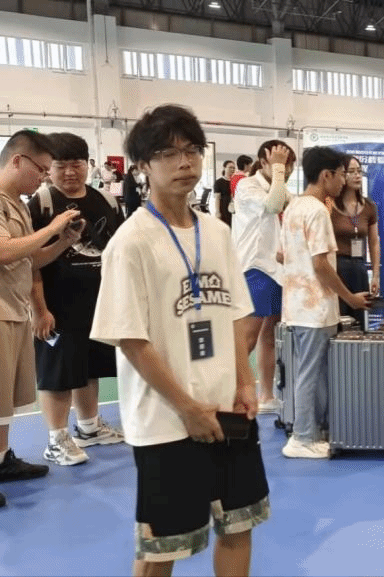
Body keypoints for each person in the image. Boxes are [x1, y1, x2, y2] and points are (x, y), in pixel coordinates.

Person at [90, 105, 270, 575]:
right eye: (168, 153)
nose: (184, 162)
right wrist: (188, 408)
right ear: (142, 166)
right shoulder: (131, 242)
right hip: (166, 419)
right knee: (162, 547)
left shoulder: (218, 232)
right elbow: (132, 340)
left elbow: (234, 314)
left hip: (228, 408)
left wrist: (245, 382)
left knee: (239, 525)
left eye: (192, 150)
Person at [29, 132, 126, 467]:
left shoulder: (106, 200)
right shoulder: (41, 202)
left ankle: (89, 427)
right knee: (56, 373)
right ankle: (56, 440)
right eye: (61, 166)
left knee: (89, 367)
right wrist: (39, 310)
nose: (70, 172)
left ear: (88, 164)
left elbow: (119, 250)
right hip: (56, 306)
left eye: (76, 164)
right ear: (49, 168)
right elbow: (28, 262)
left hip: (96, 303)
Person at [279, 146, 370, 459]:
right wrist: (350, 298)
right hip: (314, 308)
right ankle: (302, 438)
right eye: (342, 174)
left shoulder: (294, 206)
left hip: (297, 305)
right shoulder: (317, 211)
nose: (344, 180)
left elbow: (282, 254)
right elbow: (320, 265)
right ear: (326, 175)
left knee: (313, 373)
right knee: (309, 374)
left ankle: (312, 430)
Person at [0, 131, 76, 503]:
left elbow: (30, 258)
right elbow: (3, 251)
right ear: (17, 161)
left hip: (14, 310)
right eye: (41, 170)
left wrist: (63, 241)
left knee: (5, 400)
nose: (44, 178)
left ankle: (2, 459)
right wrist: (51, 227)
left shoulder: (16, 203)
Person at [231, 140, 296, 415]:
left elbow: (289, 205)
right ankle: (225, 396)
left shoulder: (282, 189)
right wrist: (278, 170)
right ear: (263, 161)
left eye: (289, 164)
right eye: (280, 163)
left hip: (278, 271)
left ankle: (267, 395)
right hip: (255, 268)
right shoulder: (247, 186)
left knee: (270, 335)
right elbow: (273, 205)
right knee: (246, 339)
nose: (286, 170)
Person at [330, 155, 381, 323]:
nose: (357, 175)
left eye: (359, 171)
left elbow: (374, 242)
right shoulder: (330, 205)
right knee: (339, 318)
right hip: (336, 267)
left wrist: (375, 275)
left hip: (359, 267)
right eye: (351, 171)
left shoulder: (369, 206)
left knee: (360, 318)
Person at [214, 160, 234, 226]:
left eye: (234, 168)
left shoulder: (235, 181)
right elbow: (217, 198)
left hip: (234, 208)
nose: (232, 169)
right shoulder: (219, 182)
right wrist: (217, 212)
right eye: (230, 167)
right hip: (224, 208)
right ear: (224, 168)